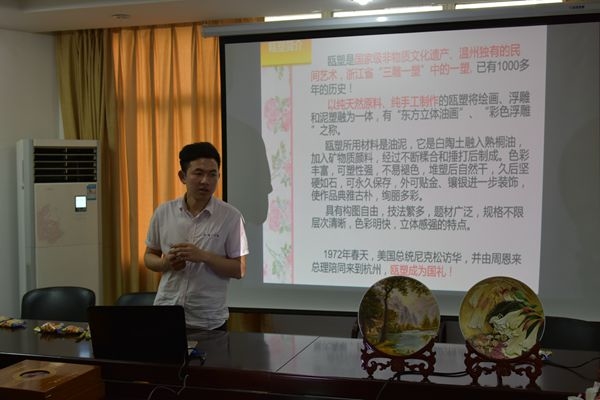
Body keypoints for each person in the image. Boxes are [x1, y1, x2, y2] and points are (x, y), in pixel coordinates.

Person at [144, 142, 249, 331]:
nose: (205, 181)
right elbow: (149, 256)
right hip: (167, 313)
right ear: (182, 176)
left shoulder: (231, 217)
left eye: (212, 174)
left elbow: (239, 269)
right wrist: (165, 263)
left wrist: (204, 256)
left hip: (208, 320)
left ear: (219, 176)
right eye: (198, 173)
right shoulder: (164, 212)